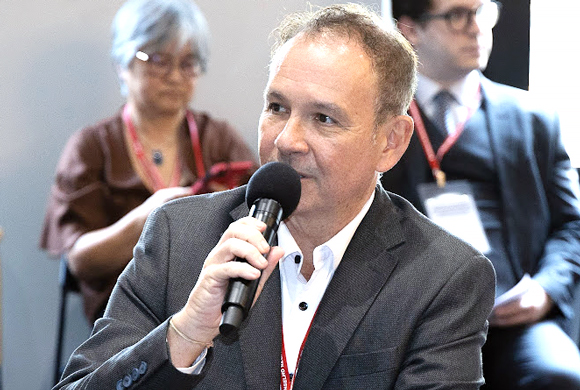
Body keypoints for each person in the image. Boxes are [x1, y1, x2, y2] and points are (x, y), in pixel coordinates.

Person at [54, 4, 495, 389]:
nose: (287, 141)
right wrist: (185, 335)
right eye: (277, 107)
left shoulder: (445, 278)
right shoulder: (178, 238)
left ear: (391, 142)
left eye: (324, 118)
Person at [381, 0, 580, 388]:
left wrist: (545, 289)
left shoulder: (534, 119)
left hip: (512, 315)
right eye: (457, 15)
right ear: (410, 30)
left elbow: (572, 226)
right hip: (412, 318)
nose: (476, 28)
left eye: (481, 11)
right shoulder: (380, 122)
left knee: (560, 376)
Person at [40, 0, 258, 324]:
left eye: (188, 63)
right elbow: (80, 262)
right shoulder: (92, 147)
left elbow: (262, 227)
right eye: (157, 60)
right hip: (125, 320)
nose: (174, 76)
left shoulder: (220, 140)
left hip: (215, 309)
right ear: (122, 63)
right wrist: (145, 222)